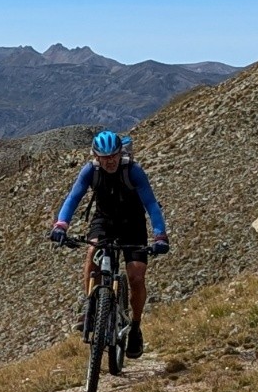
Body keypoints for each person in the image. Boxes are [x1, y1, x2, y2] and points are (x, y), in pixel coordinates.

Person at [48, 130, 169, 356]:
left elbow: (152, 204)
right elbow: (73, 198)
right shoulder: (90, 171)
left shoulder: (133, 171)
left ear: (119, 153)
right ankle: (90, 308)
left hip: (133, 224)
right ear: (96, 156)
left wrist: (160, 235)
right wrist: (61, 225)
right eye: (104, 157)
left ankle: (135, 326)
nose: (110, 161)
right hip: (104, 221)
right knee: (92, 252)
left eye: (113, 155)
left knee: (136, 276)